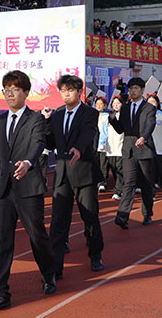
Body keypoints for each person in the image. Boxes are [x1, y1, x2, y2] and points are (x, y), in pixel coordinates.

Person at [0, 70, 55, 310]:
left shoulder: (35, 119)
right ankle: (0, 293)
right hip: (5, 190)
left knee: (37, 236)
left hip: (28, 187)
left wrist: (28, 162)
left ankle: (48, 273)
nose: (10, 94)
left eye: (15, 89)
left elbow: (38, 143)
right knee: (2, 241)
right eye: (6, 90)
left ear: (26, 92)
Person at [43, 75, 104, 277]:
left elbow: (88, 133)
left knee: (90, 216)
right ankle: (56, 265)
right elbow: (50, 142)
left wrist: (78, 148)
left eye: (70, 90)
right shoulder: (58, 114)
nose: (66, 94)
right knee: (58, 220)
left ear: (79, 92)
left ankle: (95, 255)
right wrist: (46, 123)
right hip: (62, 174)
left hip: (84, 172)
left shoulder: (90, 113)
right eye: (63, 90)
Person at [109, 77, 157, 229]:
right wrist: (112, 119)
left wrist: (144, 137)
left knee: (146, 184)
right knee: (129, 182)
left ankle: (147, 213)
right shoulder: (125, 108)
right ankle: (122, 215)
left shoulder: (149, 108)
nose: (133, 91)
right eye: (131, 88)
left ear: (142, 90)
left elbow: (150, 124)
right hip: (128, 150)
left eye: (136, 88)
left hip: (144, 149)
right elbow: (120, 129)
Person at [147, 94, 162, 198]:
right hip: (147, 149)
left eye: (153, 102)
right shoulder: (143, 114)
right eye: (149, 102)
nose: (151, 104)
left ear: (157, 103)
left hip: (159, 148)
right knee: (150, 173)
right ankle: (151, 193)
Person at [101, 96, 125, 200]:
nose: (115, 105)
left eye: (118, 103)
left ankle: (118, 191)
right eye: (114, 103)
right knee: (114, 169)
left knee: (120, 169)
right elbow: (104, 132)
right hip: (110, 147)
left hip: (121, 146)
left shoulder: (124, 116)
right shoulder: (107, 117)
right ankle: (120, 187)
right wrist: (102, 144)